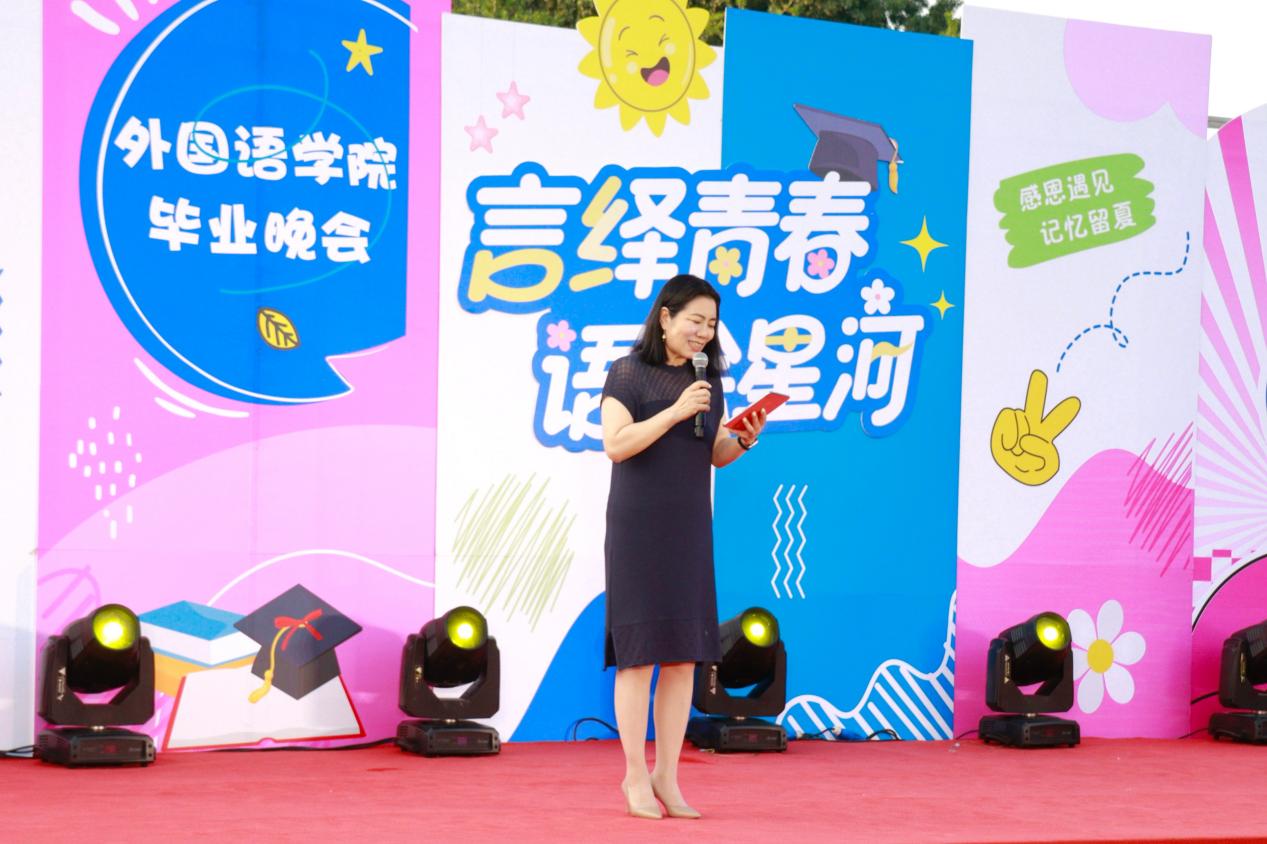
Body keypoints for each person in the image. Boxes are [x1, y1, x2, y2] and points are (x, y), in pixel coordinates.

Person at [600, 274, 766, 820]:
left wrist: (742, 438)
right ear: (666, 317)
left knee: (681, 657)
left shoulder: (708, 380)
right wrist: (673, 410)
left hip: (690, 527)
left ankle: (666, 776)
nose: (704, 332)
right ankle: (634, 776)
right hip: (638, 528)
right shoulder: (627, 372)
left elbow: (713, 453)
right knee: (638, 657)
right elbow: (616, 444)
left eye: (712, 323)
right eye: (695, 320)